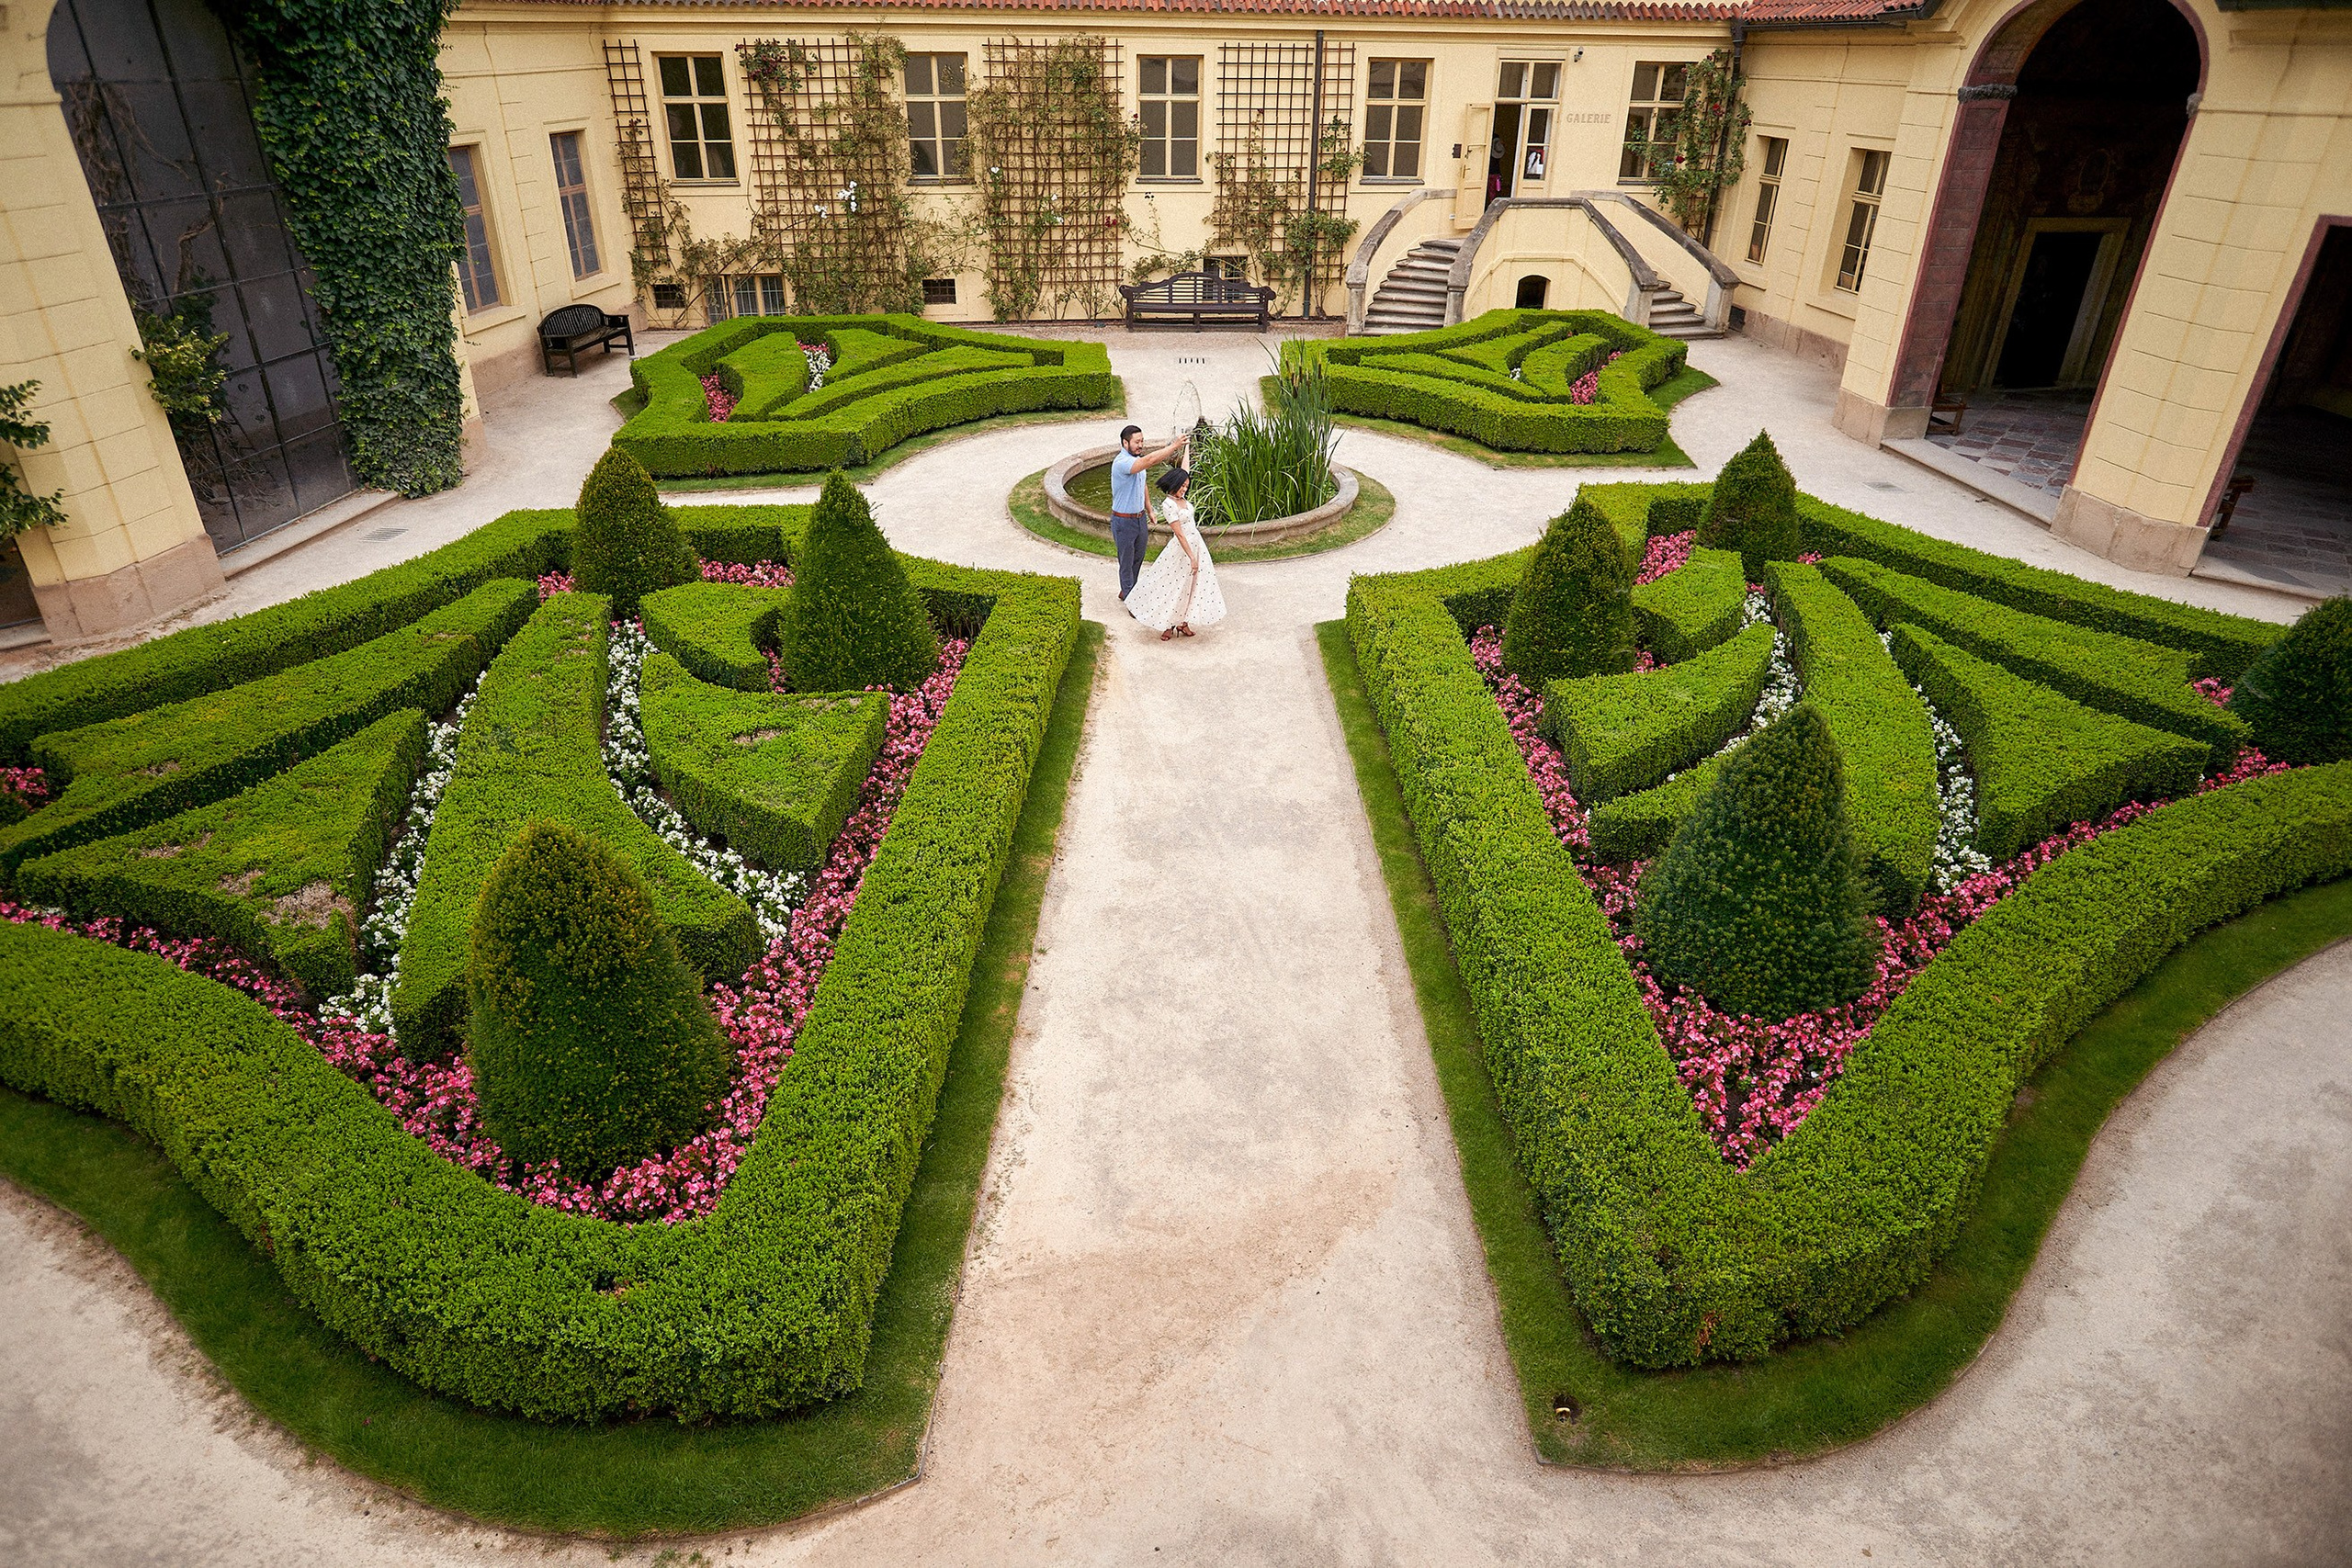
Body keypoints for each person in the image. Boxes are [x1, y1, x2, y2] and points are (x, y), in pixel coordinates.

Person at [1124, 466, 1226, 641]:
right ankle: (1168, 624)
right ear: (1174, 484)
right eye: (1182, 485)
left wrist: (1185, 445)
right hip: (1182, 549)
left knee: (1192, 585)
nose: (1184, 489)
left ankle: (1183, 622)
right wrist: (1191, 557)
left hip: (1196, 544)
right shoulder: (1168, 504)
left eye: (1186, 486)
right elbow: (1179, 533)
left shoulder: (1183, 499)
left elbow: (1184, 468)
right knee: (1174, 585)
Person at [1108, 423, 1186, 603]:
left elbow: (1142, 484)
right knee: (1126, 562)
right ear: (1125, 443)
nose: (1140, 445)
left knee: (1138, 558)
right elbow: (1150, 461)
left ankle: (1127, 589)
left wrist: (1150, 509)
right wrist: (1174, 446)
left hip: (1139, 518)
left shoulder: (1137, 463)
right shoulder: (1122, 463)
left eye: (1142, 441)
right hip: (1123, 521)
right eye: (1137, 442)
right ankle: (1131, 599)